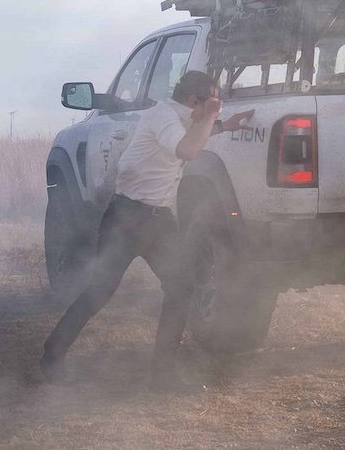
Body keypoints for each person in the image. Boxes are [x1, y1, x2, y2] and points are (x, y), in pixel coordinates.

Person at [41, 70, 253, 393]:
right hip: (127, 217)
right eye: (211, 102)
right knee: (100, 291)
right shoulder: (164, 117)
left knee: (180, 288)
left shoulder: (180, 117)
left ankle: (163, 375)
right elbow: (186, 150)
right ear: (194, 101)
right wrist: (212, 117)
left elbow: (193, 132)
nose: (215, 107)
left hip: (156, 220)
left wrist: (226, 124)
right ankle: (51, 356)